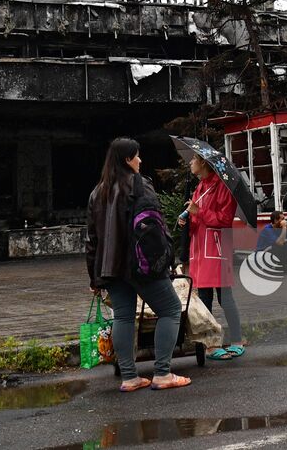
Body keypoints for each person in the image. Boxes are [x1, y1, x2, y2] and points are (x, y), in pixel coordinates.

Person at [86, 137, 189, 391]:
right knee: (171, 310)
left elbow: (92, 241)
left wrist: (94, 278)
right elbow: (154, 227)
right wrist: (165, 259)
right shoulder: (140, 186)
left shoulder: (98, 192)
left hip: (110, 267)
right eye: (136, 156)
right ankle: (163, 373)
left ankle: (130, 377)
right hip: (142, 265)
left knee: (123, 317)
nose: (140, 160)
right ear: (126, 160)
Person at [181, 154, 246, 361]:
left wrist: (198, 212)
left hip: (217, 248)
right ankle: (209, 344)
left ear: (203, 164)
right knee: (204, 297)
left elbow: (225, 219)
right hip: (200, 248)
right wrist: (187, 219)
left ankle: (236, 340)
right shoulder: (200, 187)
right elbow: (197, 215)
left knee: (224, 296)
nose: (190, 163)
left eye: (193, 160)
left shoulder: (222, 187)